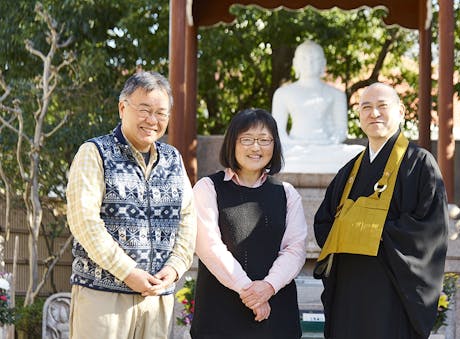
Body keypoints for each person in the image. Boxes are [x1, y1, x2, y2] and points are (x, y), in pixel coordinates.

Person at [66, 71, 197, 339]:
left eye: (161, 113)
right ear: (123, 107)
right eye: (145, 110)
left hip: (158, 298)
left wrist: (174, 269)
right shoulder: (94, 152)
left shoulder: (173, 159)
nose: (152, 120)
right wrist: (128, 272)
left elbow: (188, 219)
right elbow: (85, 223)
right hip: (104, 297)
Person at [313, 82, 449, 338]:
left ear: (401, 112)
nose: (374, 113)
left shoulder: (419, 165)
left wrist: (366, 230)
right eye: (366, 107)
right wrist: (354, 228)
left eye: (382, 106)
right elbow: (324, 225)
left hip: (392, 292)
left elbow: (429, 232)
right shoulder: (349, 171)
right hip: (348, 293)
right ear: (359, 116)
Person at [190, 108, 307, 339]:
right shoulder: (207, 188)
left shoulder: (286, 193)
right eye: (247, 139)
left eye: (264, 140)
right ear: (232, 143)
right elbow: (209, 247)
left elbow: (295, 249)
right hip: (220, 313)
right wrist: (250, 293)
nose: (256, 147)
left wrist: (268, 287)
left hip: (276, 313)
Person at [272, 40, 364, 173]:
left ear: (323, 63)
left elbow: (341, 132)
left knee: (358, 152)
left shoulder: (336, 94)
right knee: (276, 156)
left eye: (314, 59)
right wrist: (295, 145)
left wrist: (327, 143)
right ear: (295, 62)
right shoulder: (283, 93)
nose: (309, 63)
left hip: (326, 147)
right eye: (304, 59)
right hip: (294, 148)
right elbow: (278, 132)